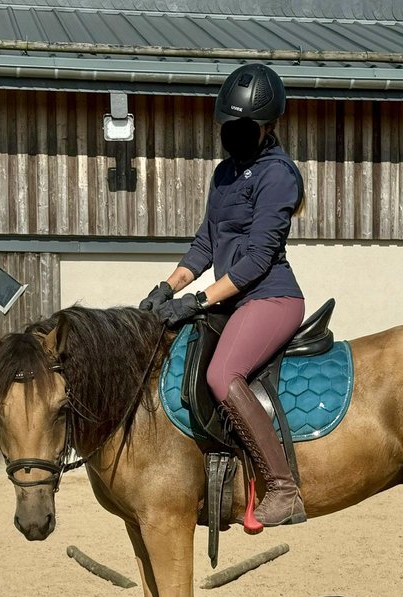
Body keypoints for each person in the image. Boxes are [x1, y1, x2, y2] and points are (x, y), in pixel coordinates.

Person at [139, 63, 306, 529]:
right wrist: (166, 288)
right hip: (230, 299)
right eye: (228, 125)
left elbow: (255, 260)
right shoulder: (223, 174)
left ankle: (282, 487)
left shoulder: (279, 175)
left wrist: (197, 300)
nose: (233, 133)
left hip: (270, 298)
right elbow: (205, 246)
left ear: (267, 126)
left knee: (221, 375)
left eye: (244, 126)